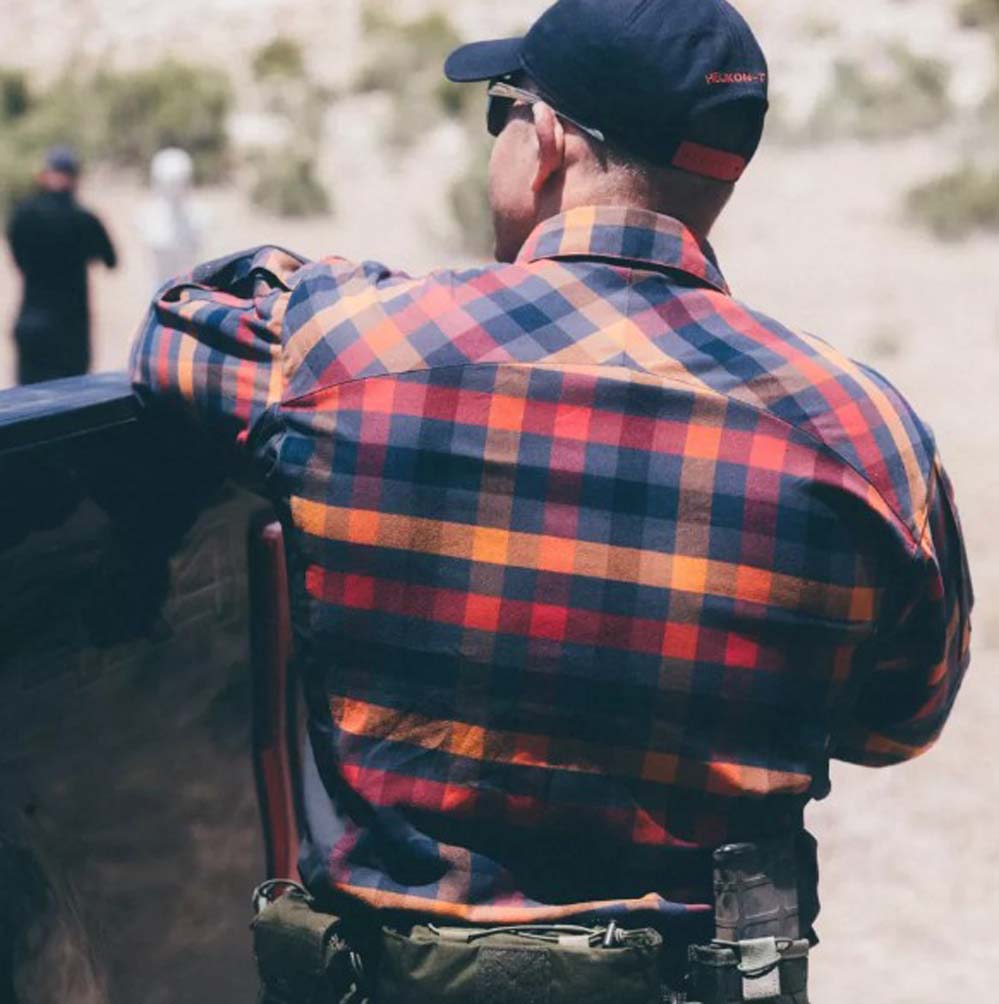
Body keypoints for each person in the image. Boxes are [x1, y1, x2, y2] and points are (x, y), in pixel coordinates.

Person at [130, 0, 972, 998]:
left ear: (549, 143)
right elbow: (896, 724)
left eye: (503, 110)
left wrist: (335, 285)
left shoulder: (351, 351)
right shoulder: (865, 436)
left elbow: (178, 327)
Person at [6, 147, 117, 385]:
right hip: (72, 329)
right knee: (73, 402)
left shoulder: (23, 216)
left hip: (33, 322)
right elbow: (110, 261)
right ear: (75, 179)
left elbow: (18, 258)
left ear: (43, 176)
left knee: (29, 401)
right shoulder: (85, 219)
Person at [138, 147, 206, 290]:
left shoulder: (201, 216)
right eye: (169, 182)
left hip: (190, 291)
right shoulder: (145, 217)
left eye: (179, 181)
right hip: (159, 291)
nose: (174, 187)